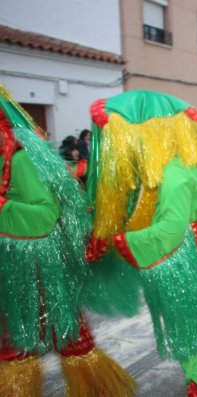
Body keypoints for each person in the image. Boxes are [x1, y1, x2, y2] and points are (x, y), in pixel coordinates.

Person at [86, 90, 197, 397]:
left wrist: (120, 241)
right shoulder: (191, 165)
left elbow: (170, 230)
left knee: (191, 331)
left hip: (183, 259)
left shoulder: (175, 174)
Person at [0, 84, 135, 397]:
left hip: (38, 267)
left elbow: (45, 215)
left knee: (57, 332)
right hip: (14, 268)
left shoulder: (21, 161)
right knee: (18, 340)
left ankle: (96, 388)